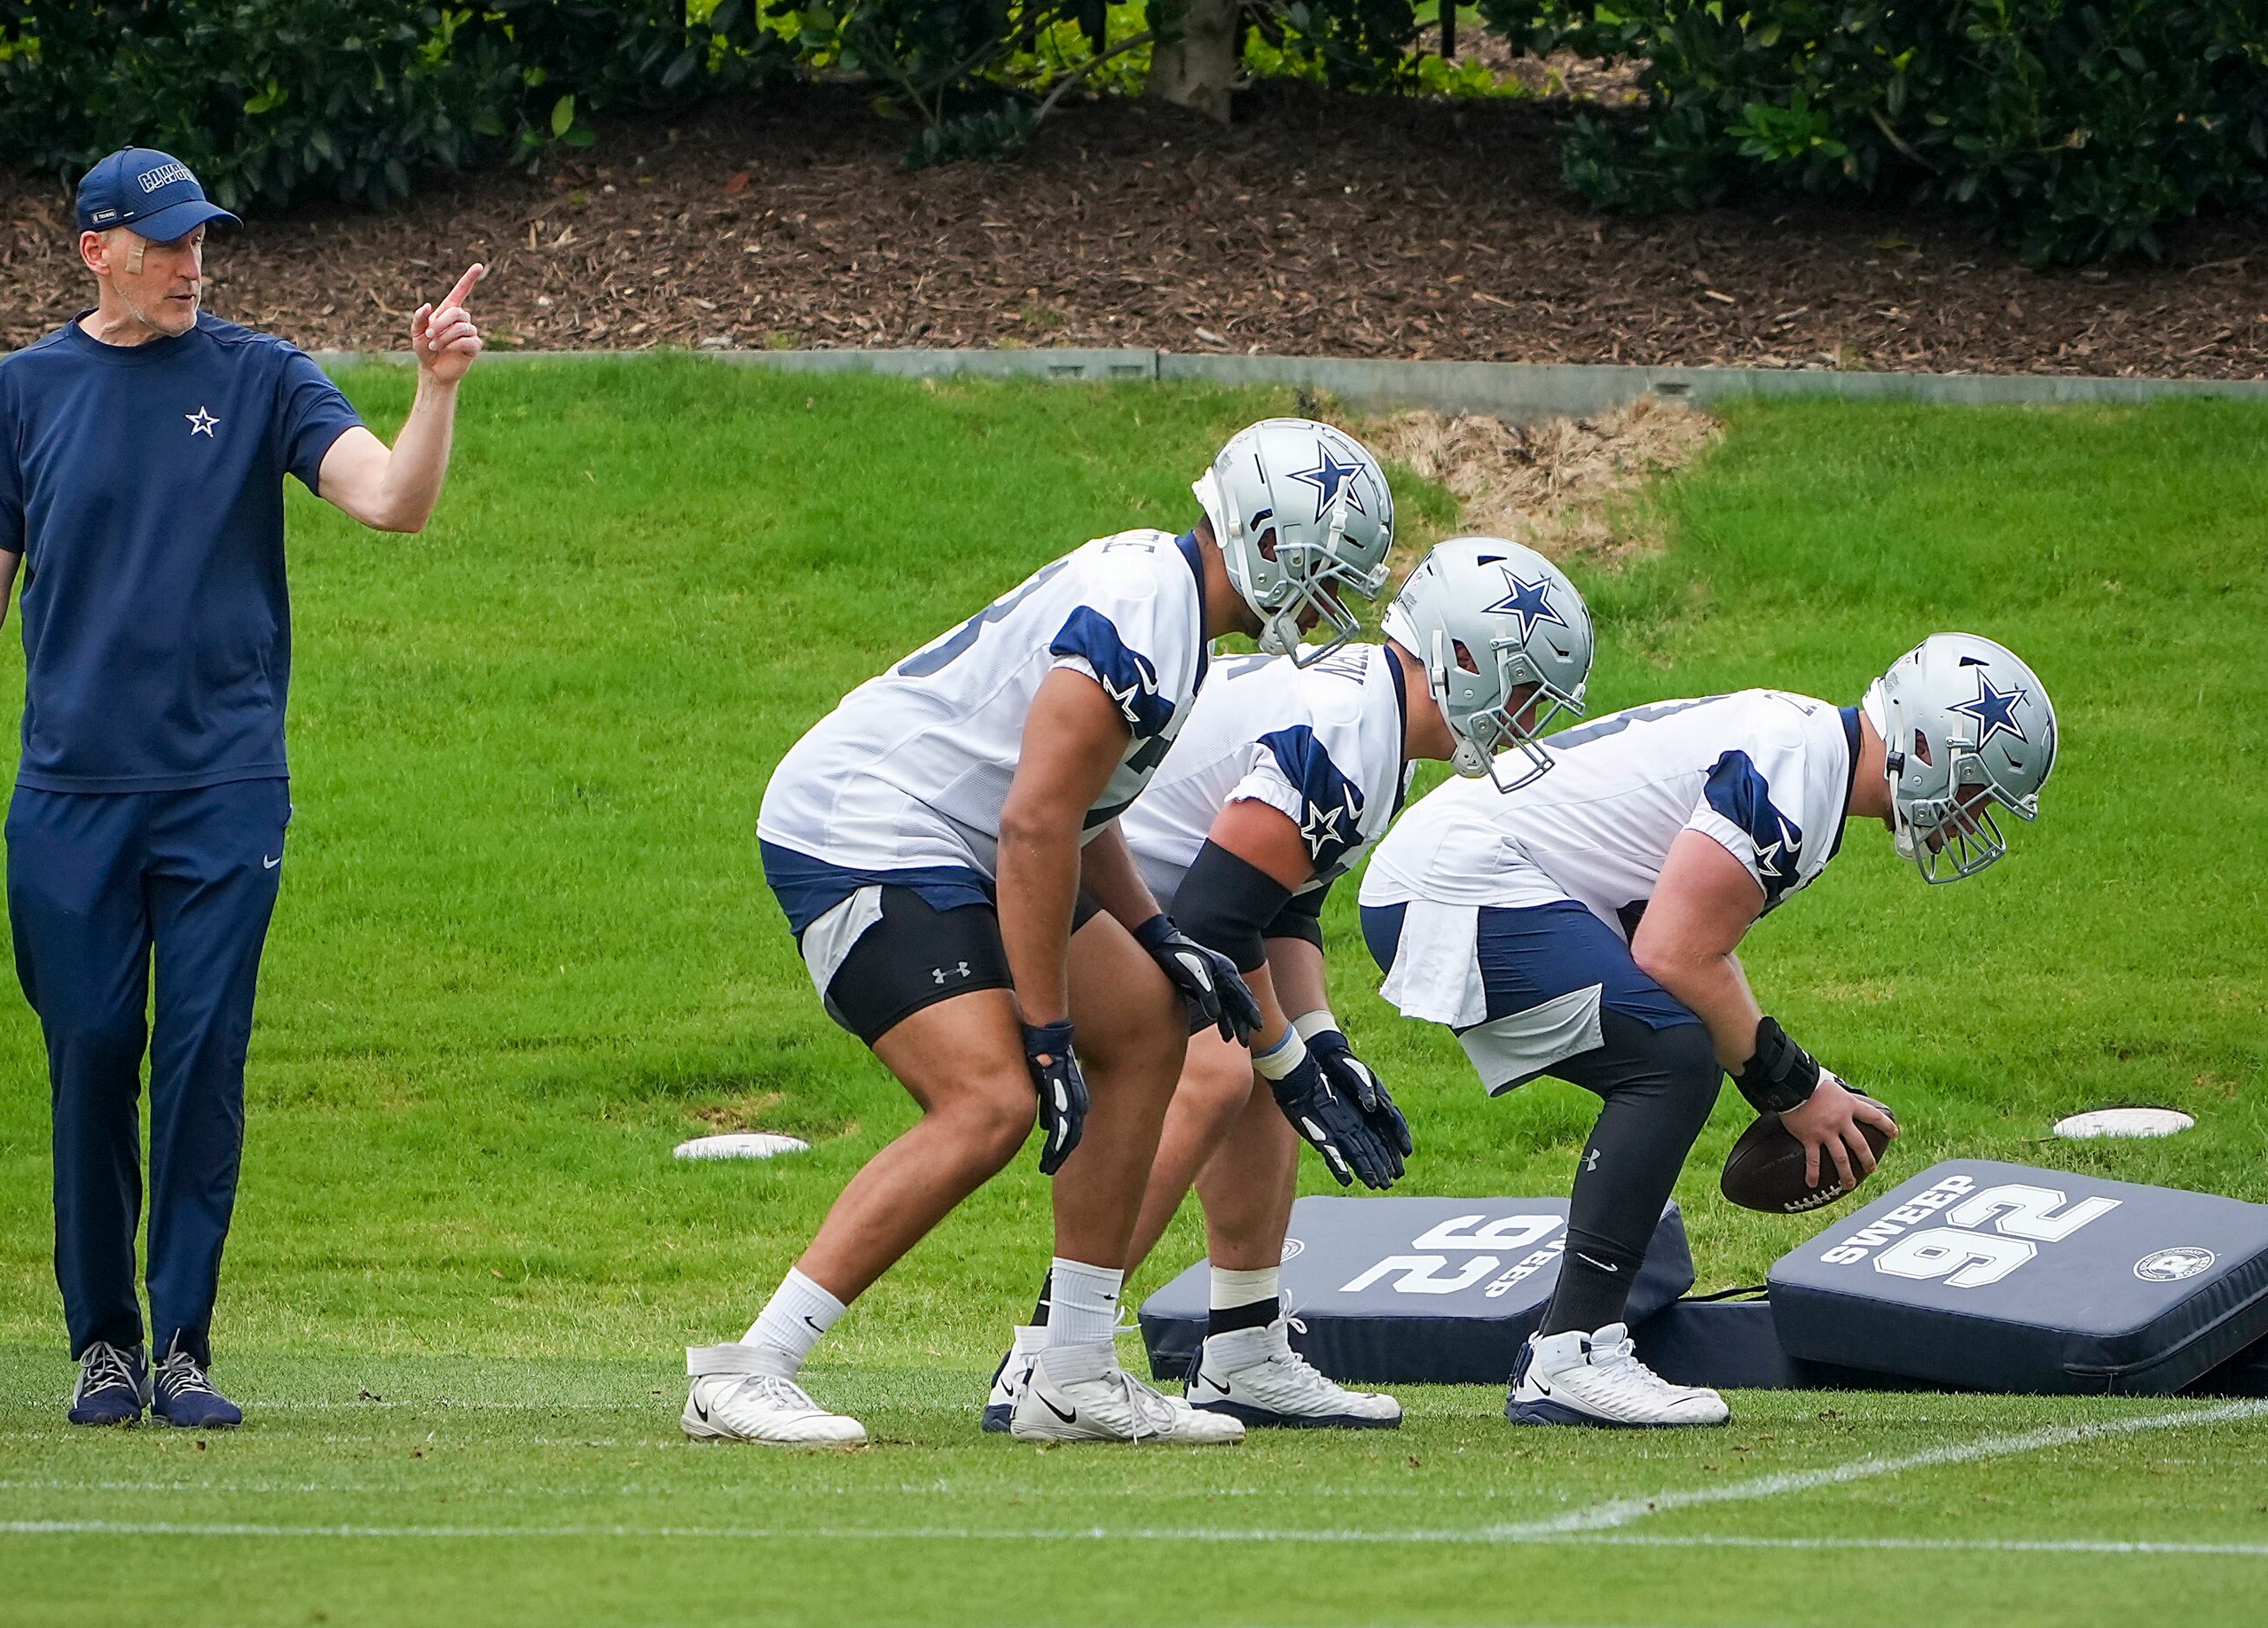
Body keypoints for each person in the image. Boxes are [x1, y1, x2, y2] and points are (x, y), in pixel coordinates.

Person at [0, 146, 487, 1429]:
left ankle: (185, 1347)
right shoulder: (27, 388)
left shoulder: (264, 376)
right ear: (95, 248)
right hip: (69, 795)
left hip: (223, 788)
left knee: (203, 1056)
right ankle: (102, 1343)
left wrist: (434, 391)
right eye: (163, 242)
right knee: (92, 1049)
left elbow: (391, 502)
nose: (191, 263)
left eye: (201, 238)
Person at [687, 419, 1396, 1447]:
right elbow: (1033, 821)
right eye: (1324, 574)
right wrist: (1047, 1028)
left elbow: (1080, 810)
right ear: (1264, 540)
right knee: (990, 1100)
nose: (1331, 605)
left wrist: (1156, 935)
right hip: (867, 824)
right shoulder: (1149, 617)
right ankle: (750, 1364)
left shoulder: (1169, 607)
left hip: (960, 831)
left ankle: (1068, 1369)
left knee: (1158, 1023)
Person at [1356, 633, 2057, 1427]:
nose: (1971, 812)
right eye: (1974, 785)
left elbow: (1687, 950)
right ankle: (1572, 1353)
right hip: (1457, 875)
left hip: (1470, 867)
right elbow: (1676, 953)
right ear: (1924, 744)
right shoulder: (1796, 770)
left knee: (1671, 1050)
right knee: (1671, 1060)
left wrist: (1795, 1081)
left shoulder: (1807, 758)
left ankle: (1573, 1344)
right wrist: (1797, 1090)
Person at [982, 537, 1596, 1433]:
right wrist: (1289, 1057)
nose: (1527, 721)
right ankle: (1048, 1352)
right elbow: (1214, 922)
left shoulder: (1371, 716)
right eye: (1524, 692)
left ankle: (1241, 1347)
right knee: (1221, 1070)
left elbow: (1281, 910)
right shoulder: (1351, 728)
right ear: (1461, 661)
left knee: (1265, 1068)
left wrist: (1320, 1043)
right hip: (1060, 892)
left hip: (1136, 898)